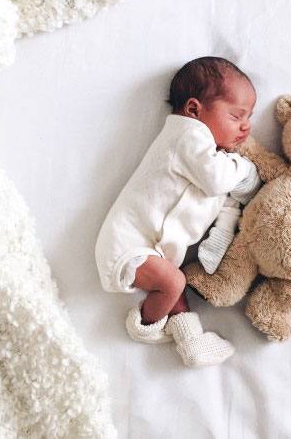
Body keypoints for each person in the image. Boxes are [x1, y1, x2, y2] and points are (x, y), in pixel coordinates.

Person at [94, 56, 262, 366]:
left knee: (175, 284)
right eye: (237, 115)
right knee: (173, 283)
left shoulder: (204, 151)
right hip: (128, 245)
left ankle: (191, 341)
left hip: (152, 248)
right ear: (194, 110)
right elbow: (216, 180)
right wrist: (243, 167)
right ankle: (145, 325)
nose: (246, 126)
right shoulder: (188, 134)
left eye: (249, 117)